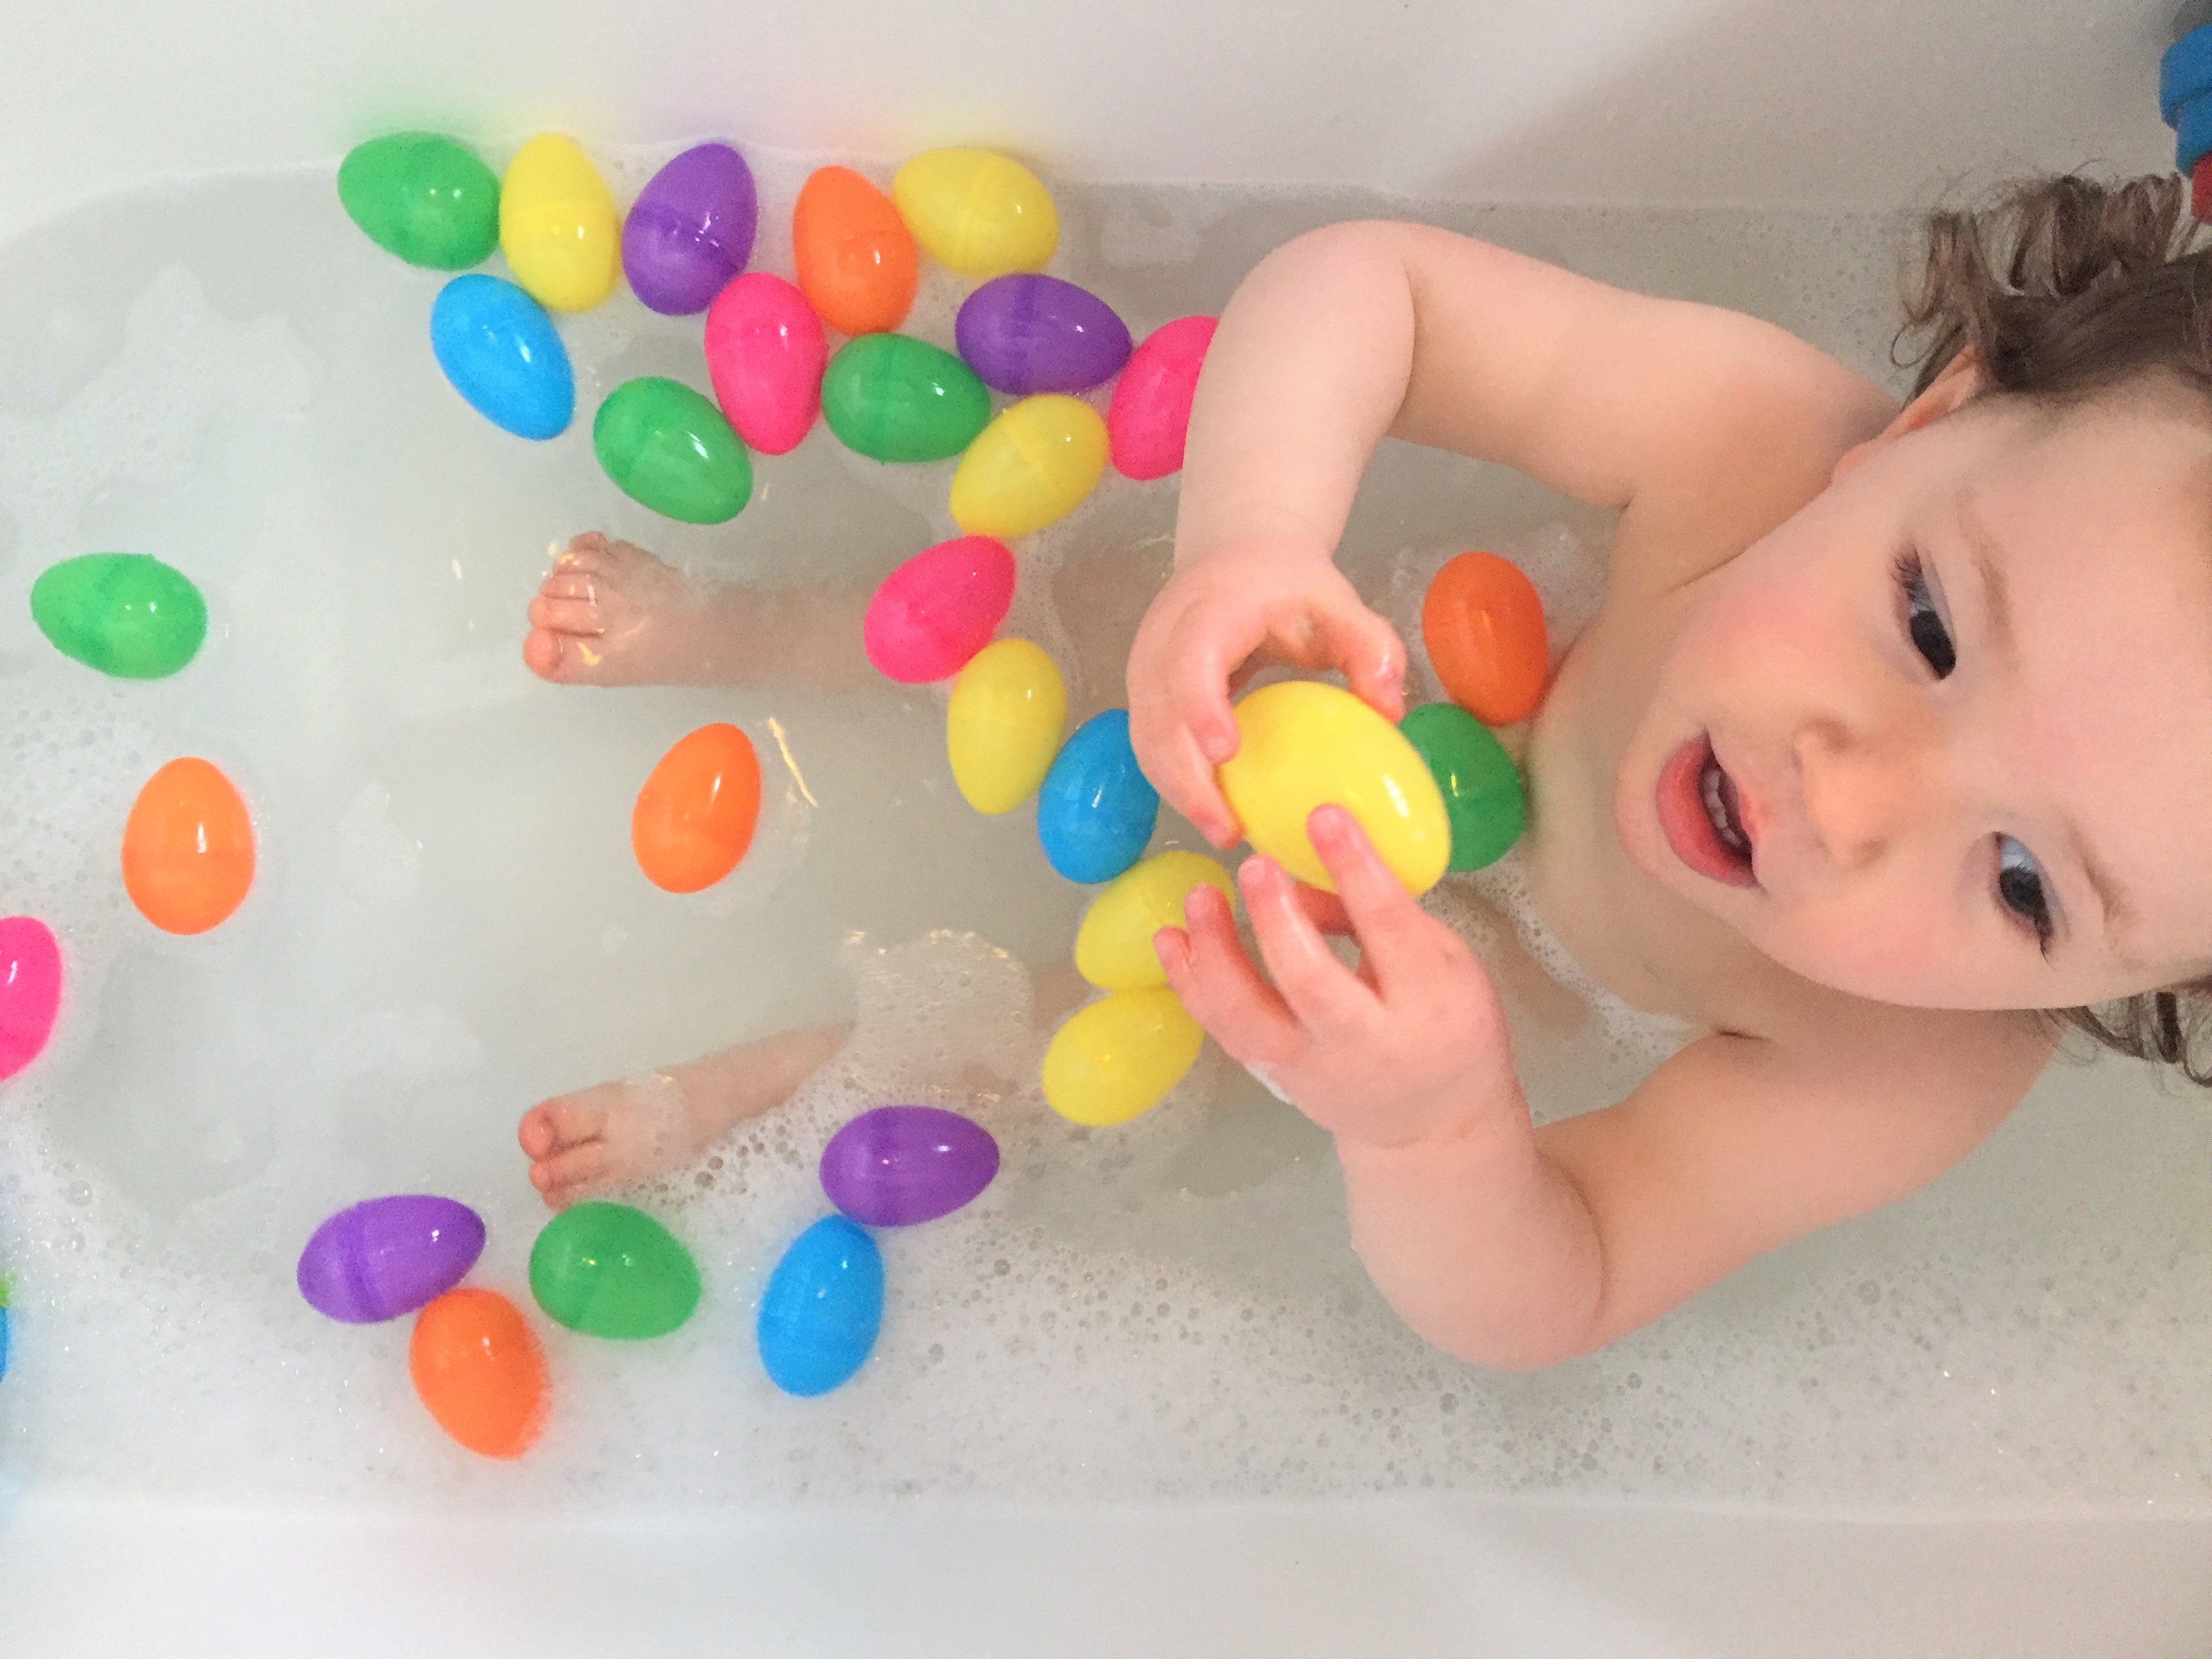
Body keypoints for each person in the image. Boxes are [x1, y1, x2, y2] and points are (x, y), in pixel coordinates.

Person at [520, 174, 2212, 1368]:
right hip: (1379, 653)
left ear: (2133, 982)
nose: (1848, 799)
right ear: (1928, 426)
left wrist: (1436, 1128)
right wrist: (1254, 541)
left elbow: (1565, 1284)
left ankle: (760, 1092)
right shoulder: (1753, 438)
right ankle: (751, 626)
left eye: (2024, 884)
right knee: (1092, 609)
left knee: (1103, 1040)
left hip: (1463, 976)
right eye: (1927, 625)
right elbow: (1378, 292)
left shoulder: (1895, 1069)